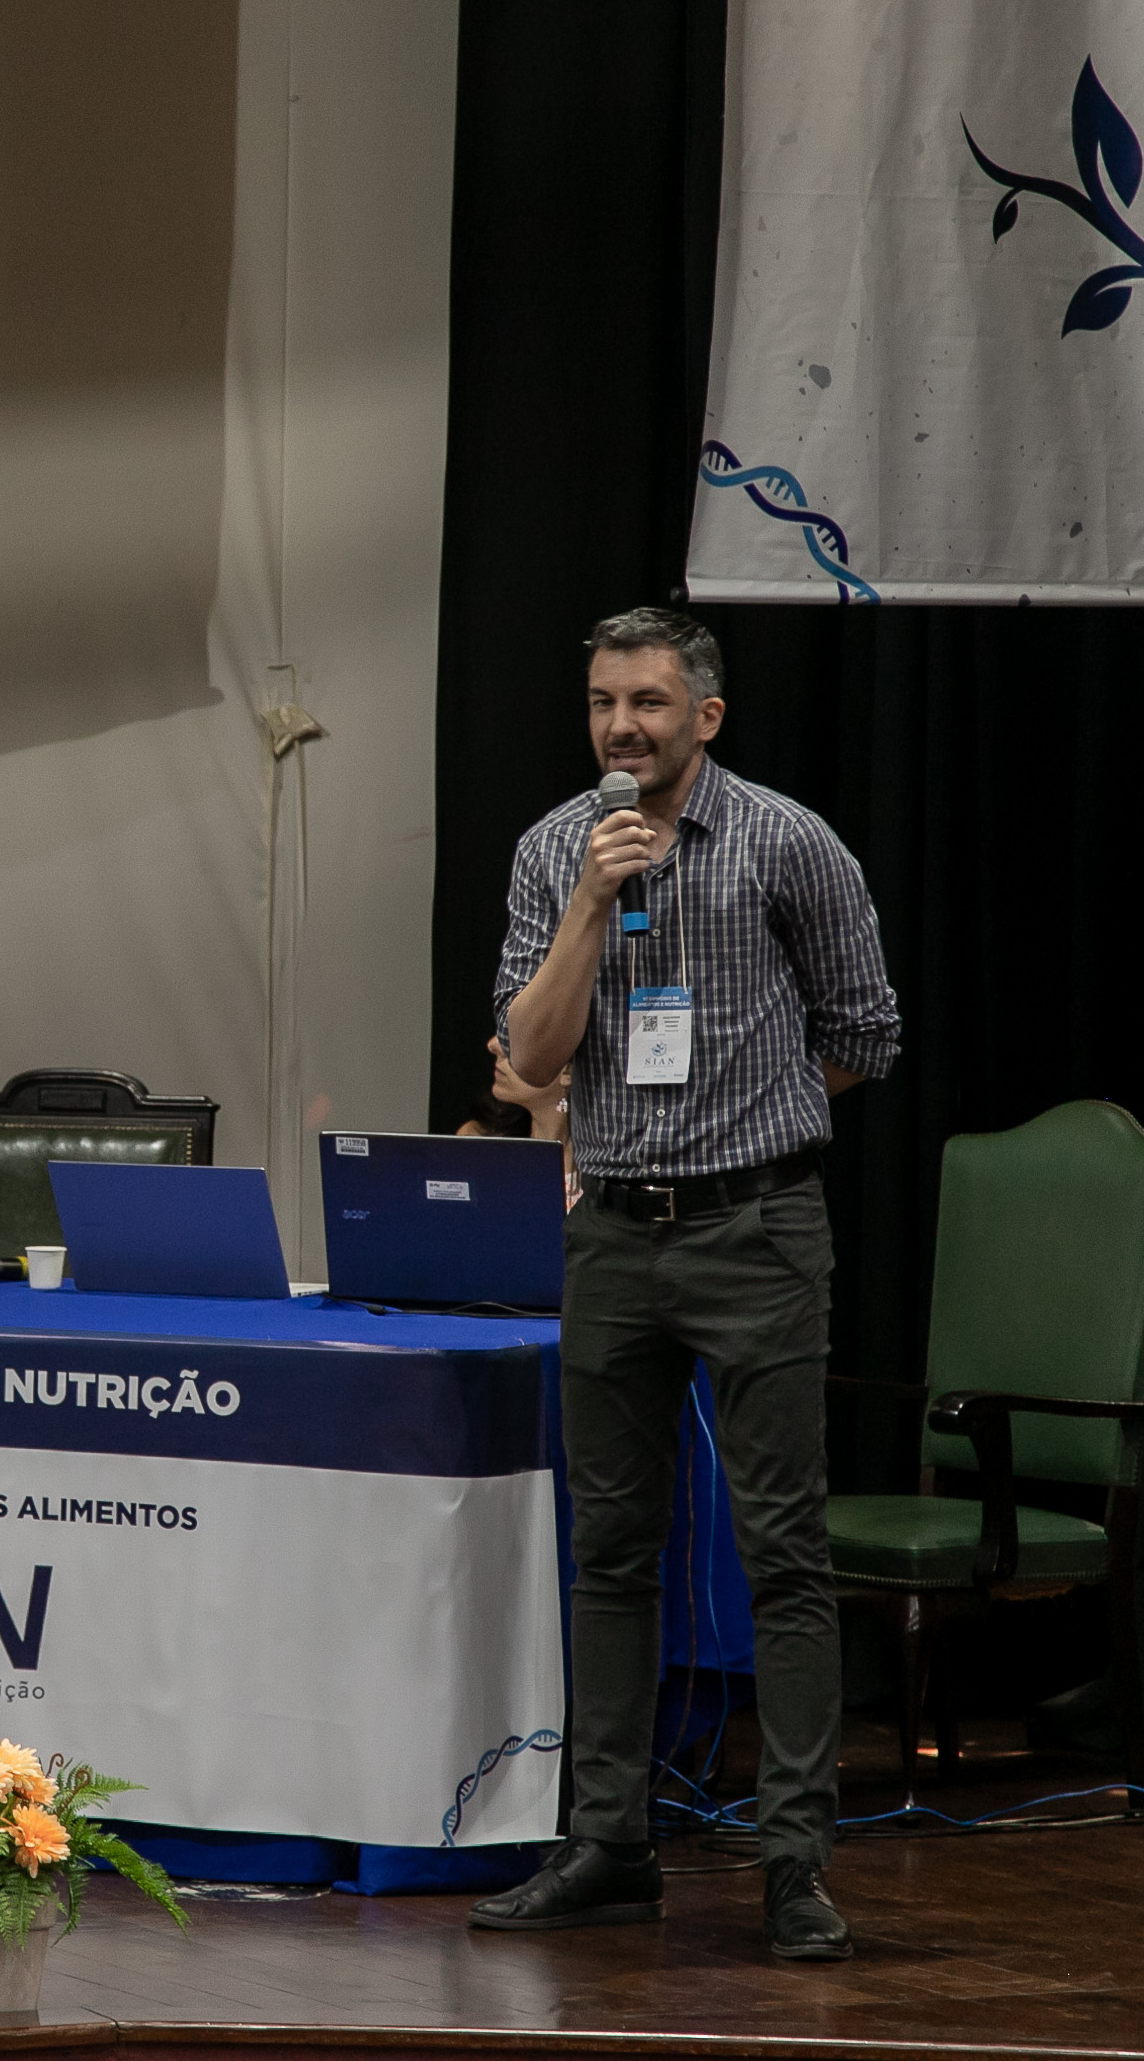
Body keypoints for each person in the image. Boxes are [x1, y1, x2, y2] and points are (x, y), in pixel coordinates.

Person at [473, 608, 899, 1961]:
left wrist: (753, 1120)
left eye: (649, 703)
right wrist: (591, 903)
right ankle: (608, 1842)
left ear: (704, 717)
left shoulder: (786, 841)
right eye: (605, 703)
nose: (623, 728)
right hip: (610, 1234)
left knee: (783, 1552)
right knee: (611, 1551)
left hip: (755, 1228)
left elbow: (865, 1031)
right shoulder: (556, 850)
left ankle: (794, 1863)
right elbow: (534, 1059)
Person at [457, 1035, 575, 1207]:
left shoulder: (606, 1174)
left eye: (519, 1032)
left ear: (567, 1071)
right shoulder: (477, 1143)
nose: (493, 1044)